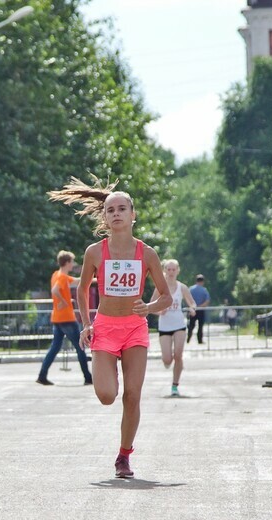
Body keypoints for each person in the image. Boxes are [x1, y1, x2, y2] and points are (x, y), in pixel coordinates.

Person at [48, 177, 171, 479]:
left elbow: (166, 296)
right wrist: (86, 324)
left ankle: (124, 456)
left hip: (134, 329)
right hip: (104, 327)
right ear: (104, 217)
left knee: (132, 395)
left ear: (133, 215)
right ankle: (109, 369)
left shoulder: (147, 253)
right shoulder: (94, 252)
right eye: (110, 210)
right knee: (106, 395)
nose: (116, 213)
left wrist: (149, 307)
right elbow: (81, 291)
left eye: (122, 208)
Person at [36, 250, 93, 386]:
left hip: (57, 318)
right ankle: (88, 377)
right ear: (67, 263)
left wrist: (95, 277)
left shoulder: (57, 275)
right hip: (67, 318)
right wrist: (63, 300)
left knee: (54, 348)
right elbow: (55, 290)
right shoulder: (61, 278)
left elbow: (79, 281)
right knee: (80, 348)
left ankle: (42, 375)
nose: (73, 265)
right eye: (72, 262)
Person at [150, 259, 197, 397]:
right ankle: (168, 361)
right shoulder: (160, 288)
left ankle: (175, 385)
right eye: (168, 269)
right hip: (164, 326)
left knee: (178, 355)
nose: (171, 272)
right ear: (164, 271)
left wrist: (192, 309)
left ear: (177, 271)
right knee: (167, 359)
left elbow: (192, 302)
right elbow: (151, 306)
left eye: (173, 269)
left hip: (179, 325)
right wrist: (160, 311)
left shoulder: (182, 287)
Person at [187, 274, 210, 344]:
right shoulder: (204, 290)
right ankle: (200, 340)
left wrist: (191, 306)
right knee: (200, 326)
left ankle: (188, 338)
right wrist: (200, 306)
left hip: (192, 309)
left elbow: (187, 298)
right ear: (202, 281)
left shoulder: (190, 289)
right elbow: (207, 301)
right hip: (201, 310)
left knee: (191, 325)